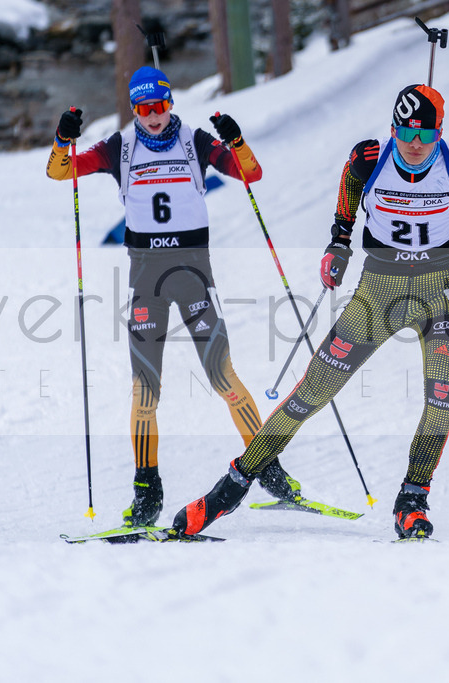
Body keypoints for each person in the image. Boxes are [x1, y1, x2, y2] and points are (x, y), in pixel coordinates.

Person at [171, 83, 449, 539]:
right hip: (379, 289)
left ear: (440, 132)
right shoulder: (369, 157)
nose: (415, 145)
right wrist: (339, 241)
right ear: (393, 129)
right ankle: (232, 487)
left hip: (441, 287)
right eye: (406, 134)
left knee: (441, 397)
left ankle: (413, 498)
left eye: (426, 136)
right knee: (313, 391)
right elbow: (350, 187)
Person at [46, 66, 303, 527]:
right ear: (133, 109)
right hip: (146, 279)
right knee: (145, 391)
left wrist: (236, 140)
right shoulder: (119, 147)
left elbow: (251, 174)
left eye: (160, 106)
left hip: (193, 275)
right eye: (143, 109)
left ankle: (267, 466)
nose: (153, 117)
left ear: (170, 103)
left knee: (223, 376)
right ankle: (147, 492)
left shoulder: (196, 142)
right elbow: (60, 173)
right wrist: (63, 138)